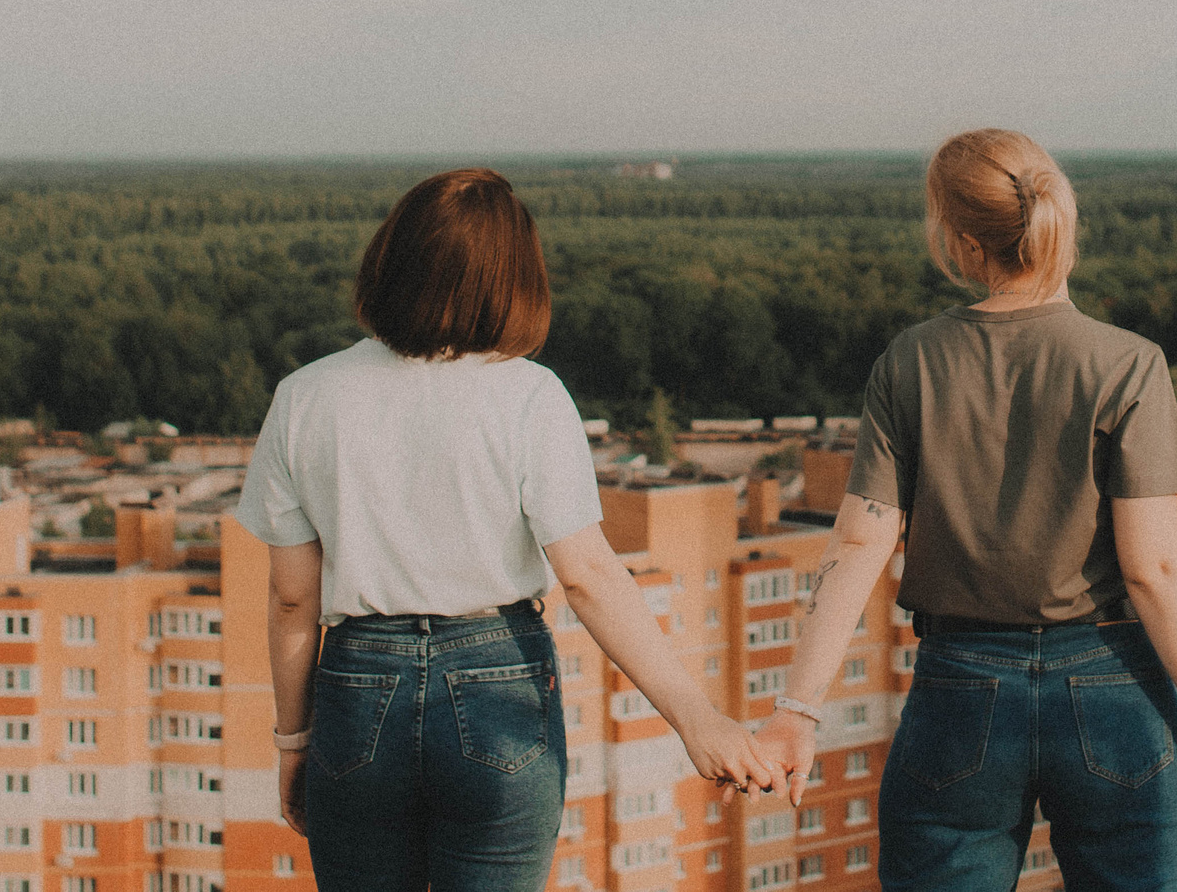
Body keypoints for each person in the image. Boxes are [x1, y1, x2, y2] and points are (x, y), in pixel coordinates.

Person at [752, 129, 1177, 892]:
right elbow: (1155, 571)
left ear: (960, 243)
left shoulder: (911, 360)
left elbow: (859, 544)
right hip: (1111, 684)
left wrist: (797, 709)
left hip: (960, 689)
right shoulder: (1128, 364)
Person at [239, 168, 776, 891]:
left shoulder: (305, 396)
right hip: (500, 680)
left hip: (358, 686)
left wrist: (293, 741)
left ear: (390, 261)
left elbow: (293, 601)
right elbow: (586, 574)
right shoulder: (531, 394)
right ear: (512, 278)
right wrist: (695, 717)